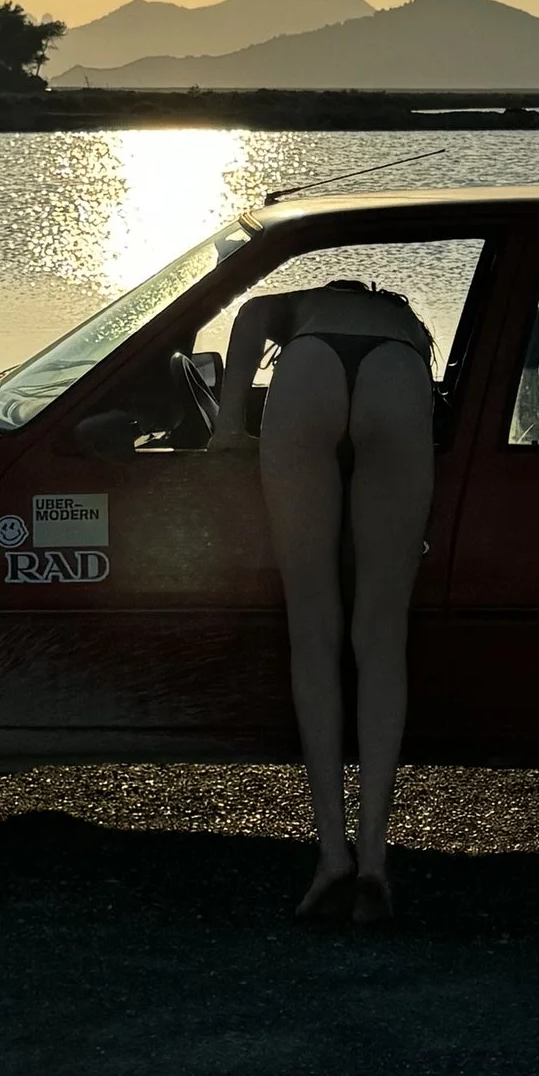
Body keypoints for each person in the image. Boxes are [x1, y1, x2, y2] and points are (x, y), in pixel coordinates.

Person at [210, 270, 436, 929]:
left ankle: (330, 854)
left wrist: (229, 426)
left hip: (307, 373)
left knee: (313, 631)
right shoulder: (406, 325)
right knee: (381, 636)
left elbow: (250, 314)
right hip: (396, 377)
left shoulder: (302, 309)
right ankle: (373, 859)